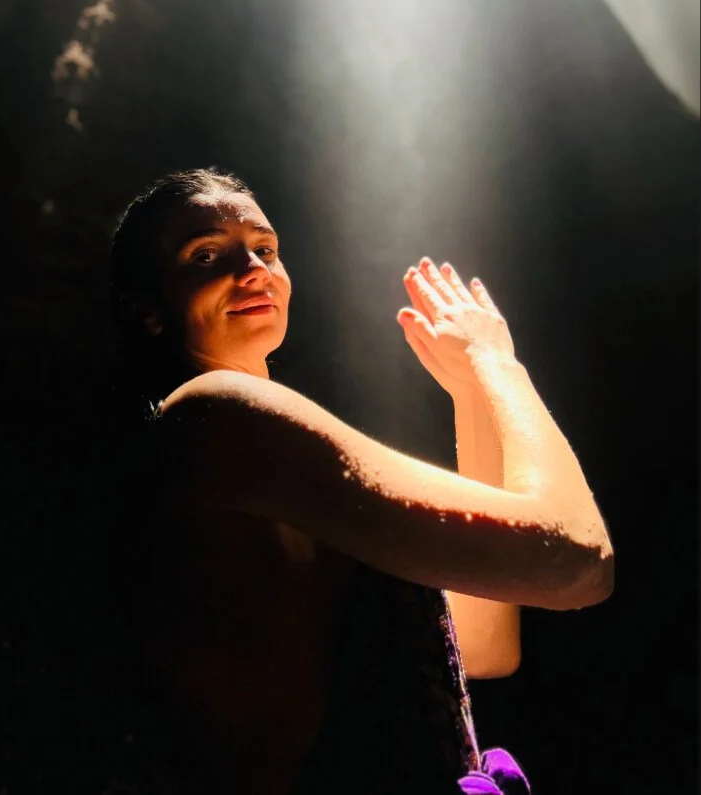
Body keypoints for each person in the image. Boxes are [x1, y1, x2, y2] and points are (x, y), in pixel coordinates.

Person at [109, 167, 613, 795]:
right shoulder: (218, 415)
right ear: (148, 310)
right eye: (206, 253)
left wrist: (470, 393)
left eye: (265, 249)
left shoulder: (244, 443)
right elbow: (576, 558)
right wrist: (499, 365)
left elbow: (479, 645)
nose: (254, 268)